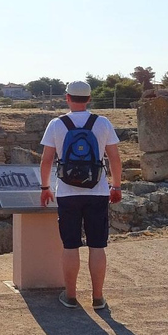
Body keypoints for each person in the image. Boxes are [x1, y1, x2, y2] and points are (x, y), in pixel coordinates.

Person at [39, 80, 122, 310]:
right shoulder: (103, 123)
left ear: (67, 98)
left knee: (70, 245)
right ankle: (97, 298)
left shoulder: (56, 124)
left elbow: (46, 160)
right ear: (89, 98)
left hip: (67, 193)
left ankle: (71, 296)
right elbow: (114, 158)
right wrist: (116, 186)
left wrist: (45, 188)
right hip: (98, 191)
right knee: (97, 245)